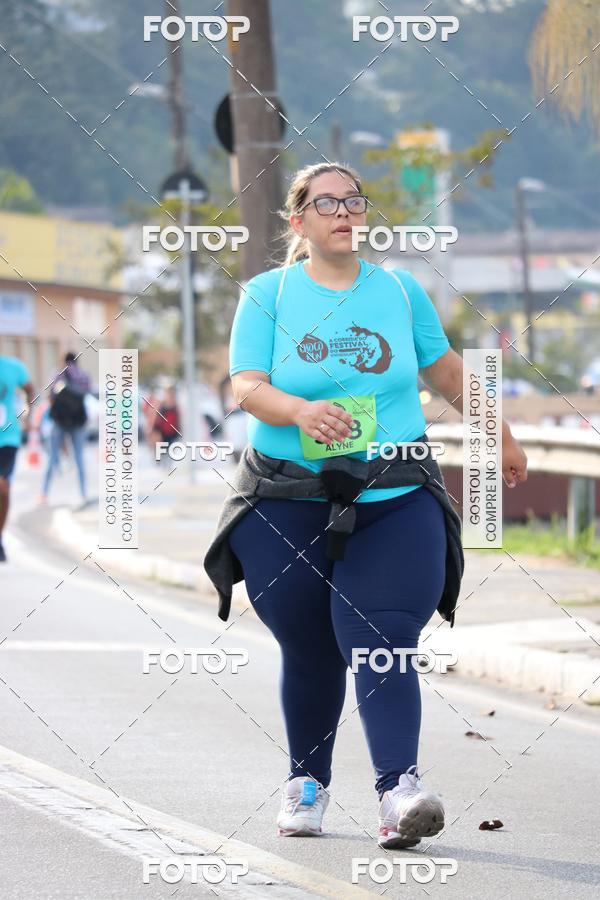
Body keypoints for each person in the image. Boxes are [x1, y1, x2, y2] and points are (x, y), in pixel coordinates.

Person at [206, 162, 529, 848]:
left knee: (384, 639)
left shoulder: (399, 290)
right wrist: (300, 410)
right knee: (313, 646)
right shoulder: (267, 293)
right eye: (328, 203)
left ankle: (398, 792)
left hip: (395, 492)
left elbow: (444, 372)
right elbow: (246, 385)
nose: (346, 212)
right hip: (287, 499)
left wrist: (497, 432)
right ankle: (307, 784)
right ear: (298, 222)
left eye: (354, 200)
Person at [41, 352, 91, 504]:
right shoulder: (84, 375)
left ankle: (44, 494)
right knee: (79, 458)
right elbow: (88, 395)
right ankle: (83, 494)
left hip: (60, 422)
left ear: (64, 360)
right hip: (78, 422)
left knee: (52, 457)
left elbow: (50, 395)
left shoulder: (58, 374)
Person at [0, 355, 35, 561]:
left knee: (3, 487)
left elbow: (30, 389)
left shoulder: (13, 367)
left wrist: (29, 415)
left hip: (8, 437)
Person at [149, 385, 181, 464]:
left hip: (173, 433)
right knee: (157, 442)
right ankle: (158, 460)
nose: (170, 396)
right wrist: (152, 430)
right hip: (161, 432)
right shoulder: (161, 405)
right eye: (168, 394)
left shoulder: (177, 406)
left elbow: (179, 421)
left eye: (172, 394)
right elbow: (154, 419)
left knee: (169, 453)